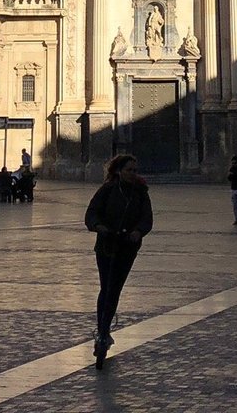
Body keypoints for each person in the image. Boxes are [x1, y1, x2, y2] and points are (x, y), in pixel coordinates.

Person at [85, 154, 153, 359]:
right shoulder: (107, 190)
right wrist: (98, 227)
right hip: (106, 243)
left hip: (127, 247)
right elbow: (92, 213)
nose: (133, 174)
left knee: (114, 288)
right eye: (129, 170)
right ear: (118, 171)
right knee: (106, 286)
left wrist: (138, 232)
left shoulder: (141, 192)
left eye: (135, 170)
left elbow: (147, 217)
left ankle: (104, 332)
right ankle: (103, 332)